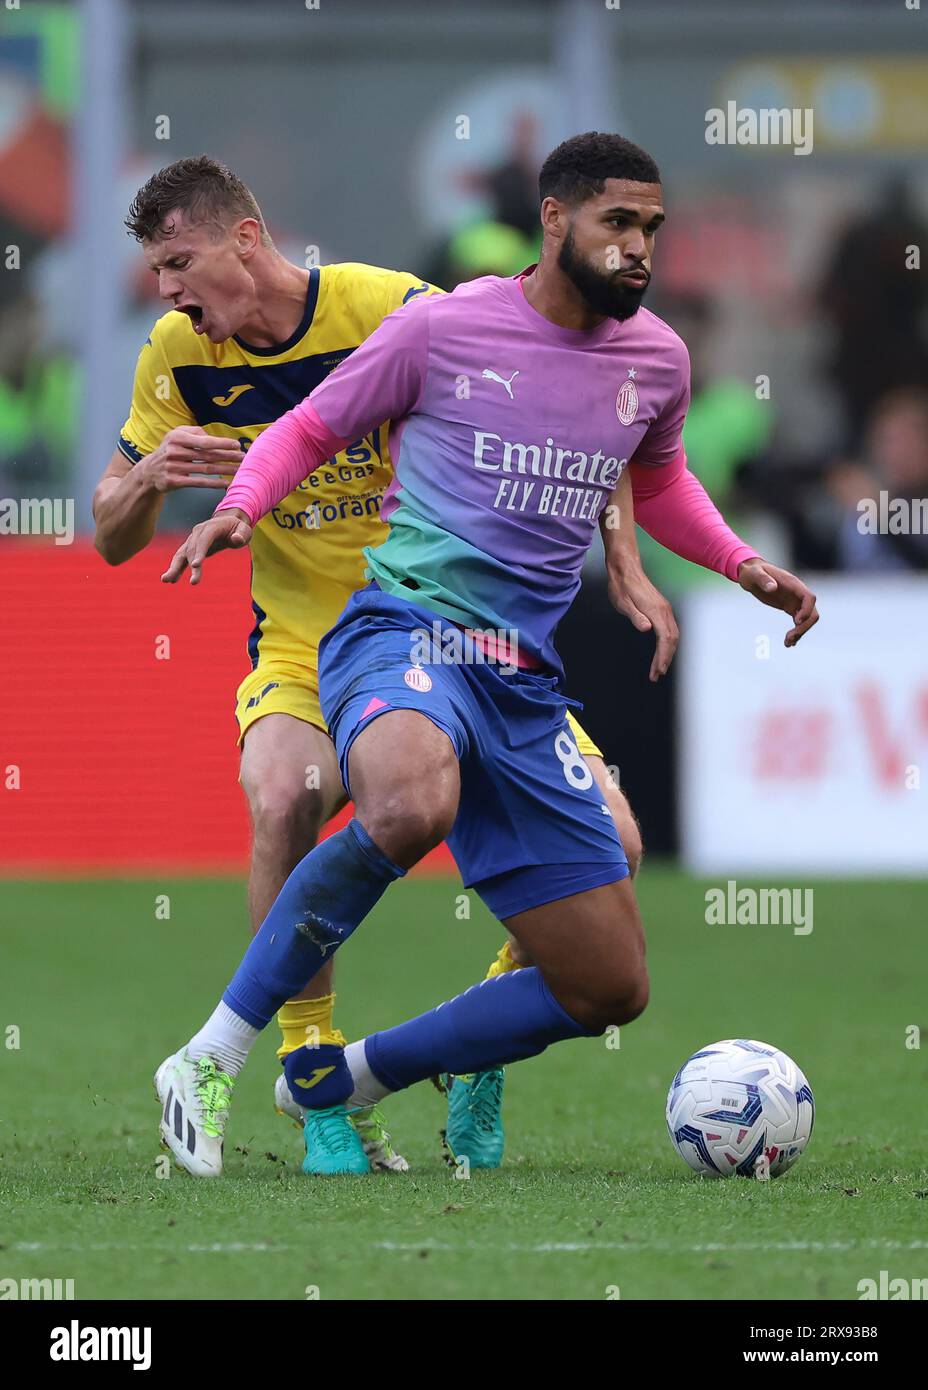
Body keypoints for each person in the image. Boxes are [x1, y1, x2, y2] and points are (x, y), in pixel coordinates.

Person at [160, 131, 818, 1177]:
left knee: (608, 986)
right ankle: (213, 1051)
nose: (639, 247)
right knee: (406, 801)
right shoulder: (446, 326)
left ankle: (358, 1071)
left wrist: (739, 564)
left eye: (651, 226)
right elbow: (308, 430)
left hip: (520, 679)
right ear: (555, 222)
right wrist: (241, 507)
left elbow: (659, 484)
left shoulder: (656, 359)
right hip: (402, 628)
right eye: (618, 223)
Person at [92, 155, 657, 1173]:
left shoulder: (386, 306)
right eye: (156, 271)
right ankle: (316, 1095)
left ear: (246, 239)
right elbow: (108, 530)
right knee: (283, 793)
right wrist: (153, 482)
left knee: (615, 838)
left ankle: (478, 1059)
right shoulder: (176, 355)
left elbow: (554, 391)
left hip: (451, 624)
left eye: (178, 261)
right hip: (313, 645)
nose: (167, 289)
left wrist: (619, 542)